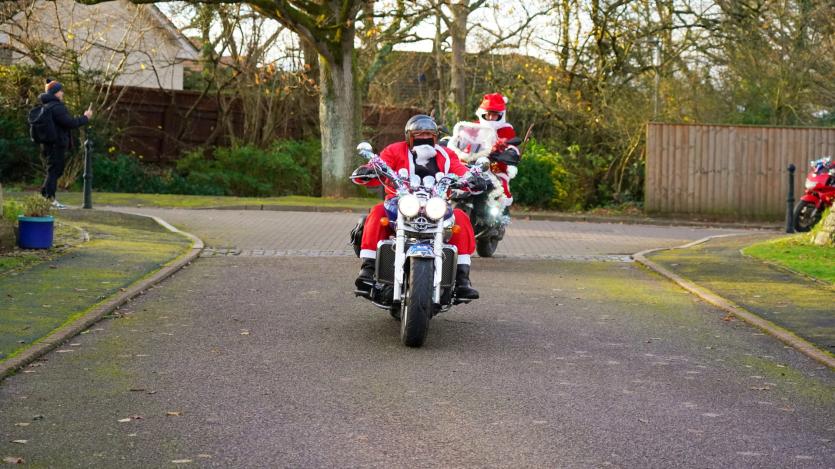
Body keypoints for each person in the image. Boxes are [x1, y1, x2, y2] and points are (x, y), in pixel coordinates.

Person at [351, 115, 488, 300]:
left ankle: (462, 279)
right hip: (401, 204)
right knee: (377, 211)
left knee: (461, 217)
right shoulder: (394, 150)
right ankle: (367, 269)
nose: (424, 137)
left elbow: (460, 170)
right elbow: (380, 165)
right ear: (409, 136)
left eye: (428, 134)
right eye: (418, 134)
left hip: (436, 206)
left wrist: (473, 179)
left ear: (435, 136)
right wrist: (368, 170)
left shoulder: (447, 155)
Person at [38, 79, 93, 208]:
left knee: (54, 170)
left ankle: (45, 196)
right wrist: (86, 117)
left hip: (49, 144)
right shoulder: (57, 107)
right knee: (54, 171)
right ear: (55, 92)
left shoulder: (46, 105)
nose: (62, 93)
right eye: (60, 90)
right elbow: (70, 123)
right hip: (56, 144)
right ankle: (49, 199)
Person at [475, 93, 520, 207]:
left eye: (494, 115)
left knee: (501, 188)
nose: (490, 118)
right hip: (473, 164)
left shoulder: (506, 129)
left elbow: (512, 145)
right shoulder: (474, 126)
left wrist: (511, 153)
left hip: (496, 165)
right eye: (488, 114)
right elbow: (463, 139)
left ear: (500, 115)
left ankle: (500, 212)